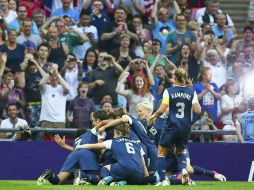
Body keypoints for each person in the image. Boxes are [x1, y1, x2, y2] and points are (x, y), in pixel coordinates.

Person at [148, 68, 201, 185]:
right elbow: (198, 110)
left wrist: (153, 116)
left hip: (171, 125)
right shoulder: (192, 92)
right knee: (180, 151)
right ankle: (183, 172)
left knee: (161, 151)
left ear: (175, 78)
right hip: (185, 127)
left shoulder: (169, 91)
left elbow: (162, 109)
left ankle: (162, 180)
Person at [37, 110, 108, 185]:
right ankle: (82, 175)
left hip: (74, 154)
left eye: (93, 120)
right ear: (99, 120)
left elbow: (78, 150)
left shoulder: (81, 137)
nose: (92, 122)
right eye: (93, 120)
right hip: (87, 154)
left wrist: (64, 145)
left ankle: (50, 175)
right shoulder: (98, 130)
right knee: (98, 178)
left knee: (59, 180)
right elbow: (99, 146)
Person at [76, 123, 149, 185]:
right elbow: (144, 165)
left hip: (124, 169)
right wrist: (147, 179)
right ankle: (121, 183)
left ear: (118, 132)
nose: (113, 134)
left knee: (105, 168)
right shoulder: (137, 144)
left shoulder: (112, 141)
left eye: (114, 132)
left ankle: (106, 179)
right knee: (127, 177)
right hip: (138, 173)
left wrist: (80, 146)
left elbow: (95, 146)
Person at [39, 64, 69, 128]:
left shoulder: (62, 88)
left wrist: (57, 73)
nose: (54, 78)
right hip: (46, 121)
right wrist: (51, 71)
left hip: (60, 121)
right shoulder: (45, 88)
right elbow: (41, 84)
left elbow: (67, 89)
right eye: (52, 76)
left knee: (60, 138)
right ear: (49, 77)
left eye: (56, 76)